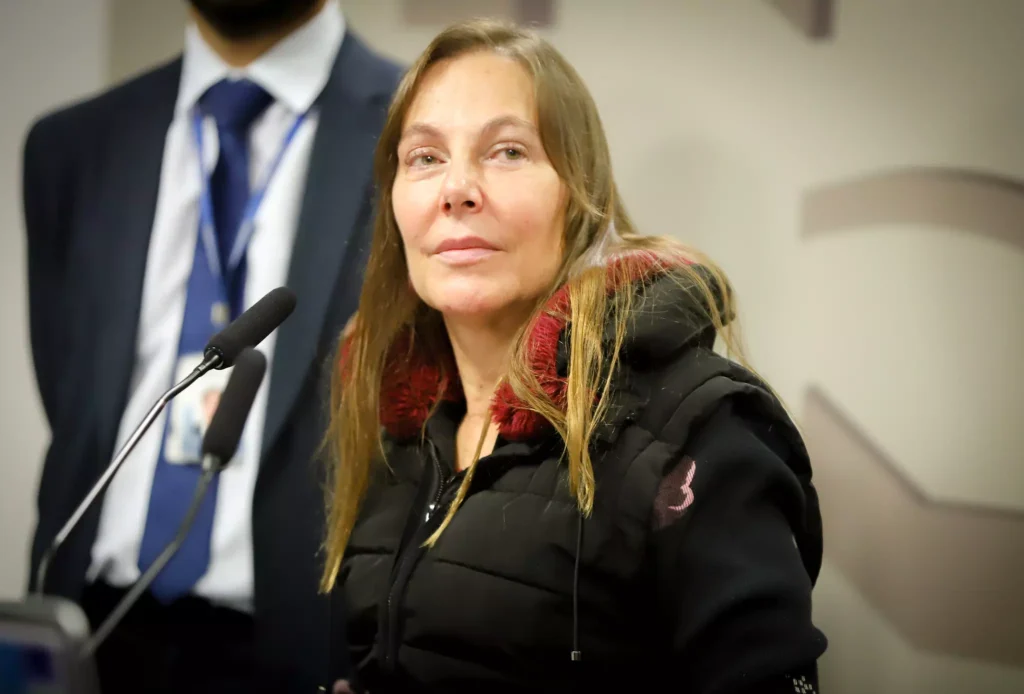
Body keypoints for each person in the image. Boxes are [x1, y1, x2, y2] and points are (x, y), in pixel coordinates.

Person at [321, 18, 828, 694]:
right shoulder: (400, 426)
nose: (457, 189)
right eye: (425, 157)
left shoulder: (702, 429)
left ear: (579, 194)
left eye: (506, 152)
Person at [22, 0, 402, 692]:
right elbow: (69, 392)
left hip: (312, 638)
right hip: (92, 627)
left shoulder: (418, 132)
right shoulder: (70, 146)